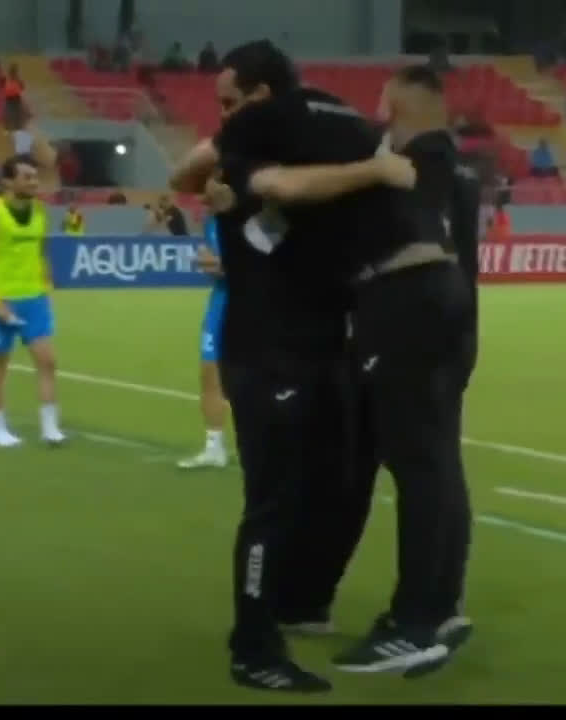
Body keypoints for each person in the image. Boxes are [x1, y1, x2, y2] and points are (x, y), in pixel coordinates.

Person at [217, 53, 475, 675]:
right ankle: (438, 607)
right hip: (447, 301)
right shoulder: (436, 167)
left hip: (400, 296)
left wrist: (242, 172)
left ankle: (415, 622)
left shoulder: (345, 145)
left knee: (415, 461)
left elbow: (268, 182)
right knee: (435, 458)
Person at [170, 39, 414, 691]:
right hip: (264, 351)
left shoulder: (304, 136)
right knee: (272, 503)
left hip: (321, 345)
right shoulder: (246, 153)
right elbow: (224, 177)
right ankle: (253, 646)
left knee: (330, 485)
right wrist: (375, 169)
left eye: (231, 103)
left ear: (262, 96)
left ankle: (291, 605)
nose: (222, 117)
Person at [0, 154, 65, 448]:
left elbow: (41, 251)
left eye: (35, 177)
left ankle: (50, 427)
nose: (34, 182)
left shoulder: (40, 211)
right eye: (27, 177)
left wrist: (46, 281)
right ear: (7, 182)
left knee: (47, 362)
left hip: (34, 298)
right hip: (2, 299)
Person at [176, 212, 228, 469]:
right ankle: (214, 448)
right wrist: (212, 265)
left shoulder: (246, 218)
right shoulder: (210, 223)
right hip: (220, 302)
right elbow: (215, 268)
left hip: (252, 304)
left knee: (261, 377)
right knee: (209, 373)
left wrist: (216, 263)